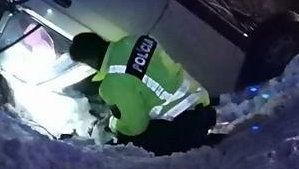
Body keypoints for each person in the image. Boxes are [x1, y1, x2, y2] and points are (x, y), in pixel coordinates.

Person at [67, 32, 221, 154]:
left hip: (184, 127)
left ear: (88, 60)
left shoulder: (112, 84)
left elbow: (135, 127)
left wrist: (112, 124)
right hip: (202, 103)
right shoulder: (136, 40)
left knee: (125, 144)